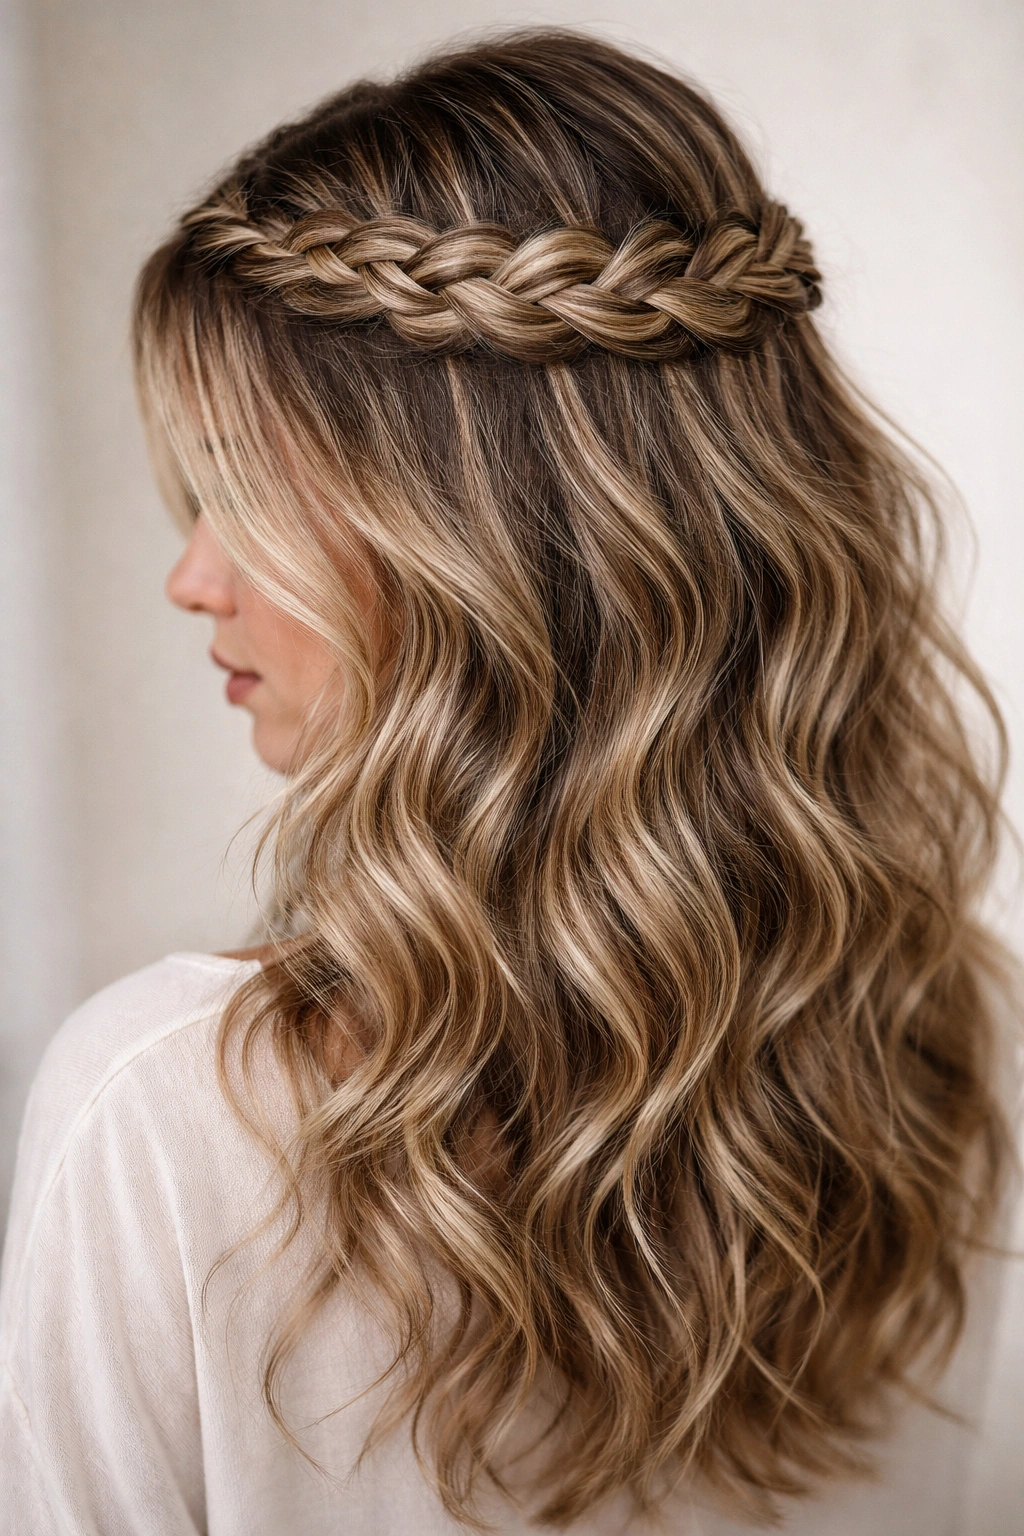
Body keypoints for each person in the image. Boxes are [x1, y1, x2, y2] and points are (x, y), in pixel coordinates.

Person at [0, 29, 1019, 1536]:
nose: (189, 576)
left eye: (238, 485)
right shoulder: (974, 1046)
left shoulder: (161, 1116)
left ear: (467, 542)